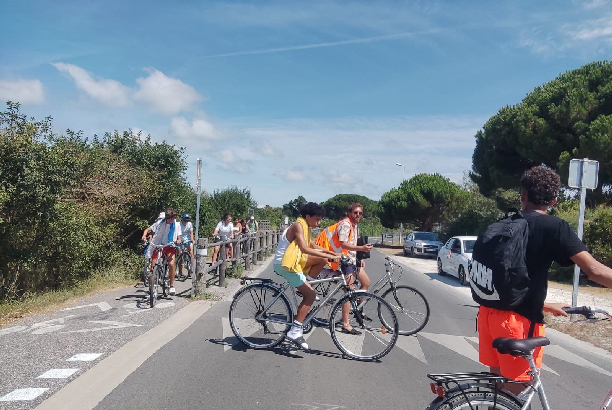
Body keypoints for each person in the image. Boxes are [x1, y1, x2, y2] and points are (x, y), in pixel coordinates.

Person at [477, 166, 612, 392]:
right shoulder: (554, 226)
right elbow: (594, 271)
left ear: (523, 196)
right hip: (518, 322)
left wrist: (545, 304)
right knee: (517, 394)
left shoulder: (505, 223)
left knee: (499, 392)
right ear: (554, 200)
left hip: (489, 315)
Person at [273, 202, 341, 349]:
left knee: (322, 259)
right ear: (308, 216)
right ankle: (295, 331)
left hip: (294, 262)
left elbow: (313, 245)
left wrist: (332, 253)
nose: (319, 222)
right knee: (310, 295)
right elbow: (304, 248)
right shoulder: (298, 226)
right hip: (284, 264)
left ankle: (307, 282)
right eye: (317, 219)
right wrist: (329, 256)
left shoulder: (305, 227)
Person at [315, 203, 373, 334]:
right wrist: (362, 249)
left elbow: (354, 242)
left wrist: (360, 257)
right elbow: (344, 244)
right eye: (355, 213)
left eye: (360, 213)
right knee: (350, 292)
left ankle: (357, 310)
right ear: (350, 213)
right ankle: (345, 324)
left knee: (366, 282)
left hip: (353, 259)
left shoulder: (355, 225)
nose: (358, 215)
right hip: (345, 261)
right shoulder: (345, 224)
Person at [141, 208, 182, 296]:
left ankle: (171, 285)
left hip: (170, 245)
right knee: (153, 267)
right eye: (171, 219)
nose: (172, 220)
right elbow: (148, 229)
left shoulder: (177, 225)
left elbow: (179, 238)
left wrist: (178, 241)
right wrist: (144, 236)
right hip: (159, 245)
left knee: (171, 264)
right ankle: (150, 290)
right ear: (168, 218)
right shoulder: (159, 223)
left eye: (174, 219)